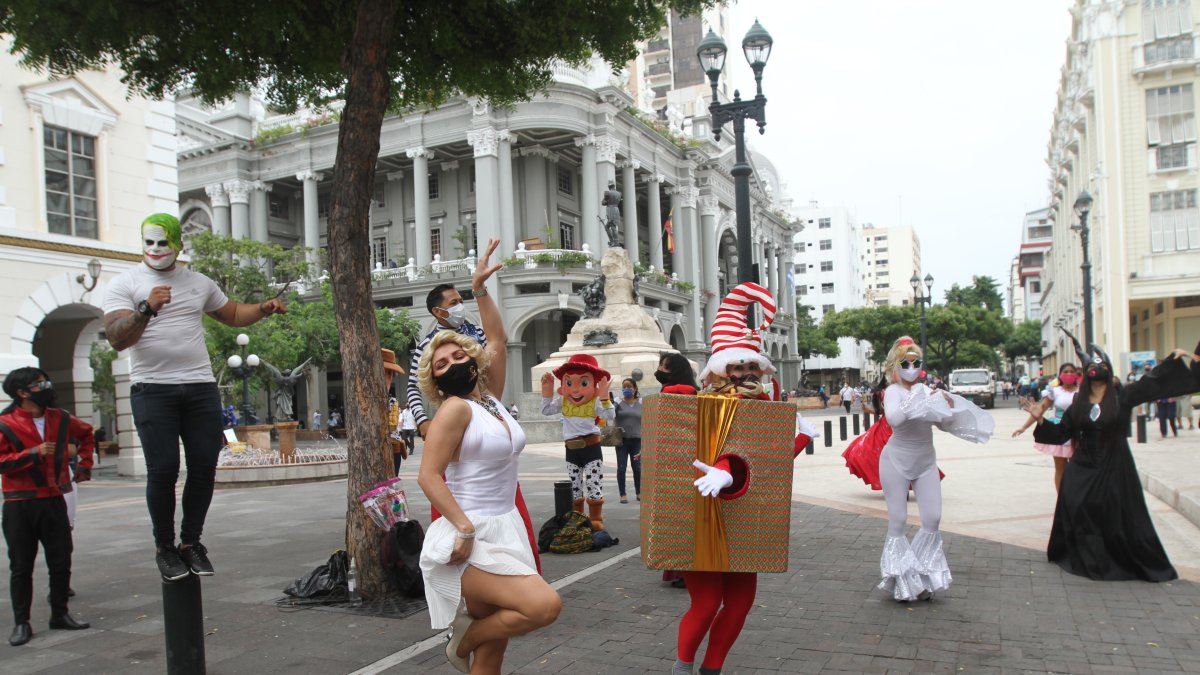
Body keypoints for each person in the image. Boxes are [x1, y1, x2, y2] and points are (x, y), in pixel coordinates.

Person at [102, 213, 287, 581]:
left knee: (203, 465)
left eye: (162, 242)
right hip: (152, 388)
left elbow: (232, 313)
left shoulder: (198, 282)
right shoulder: (125, 283)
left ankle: (191, 543)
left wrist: (263, 309)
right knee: (164, 469)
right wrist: (146, 308)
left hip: (200, 386)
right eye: (149, 242)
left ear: (177, 244)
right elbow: (118, 337)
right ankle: (165, 548)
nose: (155, 250)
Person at [416, 239, 561, 674]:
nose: (452, 362)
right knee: (543, 606)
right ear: (436, 381)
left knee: (495, 650)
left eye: (458, 354)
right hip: (471, 532)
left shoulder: (491, 401)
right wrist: (461, 526)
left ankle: (472, 641)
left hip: (506, 525)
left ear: (472, 361)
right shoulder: (454, 409)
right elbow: (428, 475)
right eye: (441, 363)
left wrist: (479, 289)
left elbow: (496, 337)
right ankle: (461, 643)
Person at [669, 282, 817, 675]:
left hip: (746, 517)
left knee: (739, 603)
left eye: (752, 367)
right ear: (721, 370)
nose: (746, 373)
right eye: (738, 367)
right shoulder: (703, 403)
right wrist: (721, 469)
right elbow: (689, 448)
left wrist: (799, 437)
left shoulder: (765, 408)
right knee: (706, 602)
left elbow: (765, 465)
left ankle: (711, 669)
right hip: (703, 516)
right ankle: (682, 668)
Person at [1045, 334, 1199, 581]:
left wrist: (1172, 359)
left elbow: (1152, 382)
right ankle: (1088, 555)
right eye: (1092, 366)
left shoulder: (1123, 396)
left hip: (1115, 462)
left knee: (1114, 509)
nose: (1097, 369)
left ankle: (1116, 557)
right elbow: (1061, 432)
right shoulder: (1078, 404)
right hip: (1084, 463)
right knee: (1075, 500)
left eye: (1102, 365)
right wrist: (1040, 419)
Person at [876, 337, 993, 602]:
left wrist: (947, 405)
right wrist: (920, 399)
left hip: (926, 461)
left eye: (916, 361)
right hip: (895, 460)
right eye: (906, 362)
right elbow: (894, 418)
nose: (912, 366)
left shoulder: (926, 390)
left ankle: (923, 575)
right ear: (896, 364)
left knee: (932, 519)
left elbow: (943, 423)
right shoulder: (894, 391)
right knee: (898, 521)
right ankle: (901, 581)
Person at [1, 368, 94, 646]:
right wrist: (31, 454)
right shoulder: (5, 423)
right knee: (21, 566)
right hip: (19, 503)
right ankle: (22, 623)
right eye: (39, 384)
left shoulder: (61, 418)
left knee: (61, 560)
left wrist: (85, 466)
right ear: (22, 392)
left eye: (45, 381)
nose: (46, 387)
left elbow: (87, 434)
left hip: (54, 499)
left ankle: (60, 614)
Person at [540, 354, 614, 530]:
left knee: (593, 482)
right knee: (575, 486)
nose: (575, 390)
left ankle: (596, 518)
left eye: (583, 383)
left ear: (594, 384)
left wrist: (604, 397)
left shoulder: (595, 402)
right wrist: (547, 392)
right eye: (569, 383)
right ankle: (578, 518)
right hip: (571, 449)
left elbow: (610, 416)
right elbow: (546, 410)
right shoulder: (563, 401)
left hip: (591, 448)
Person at [406, 283, 486, 440]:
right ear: (437, 311)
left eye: (461, 301)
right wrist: (422, 421)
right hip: (453, 416)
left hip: (485, 406)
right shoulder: (426, 346)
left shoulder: (477, 333)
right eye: (454, 303)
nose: (460, 306)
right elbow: (412, 387)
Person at [654, 351, 701, 589]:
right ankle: (684, 570)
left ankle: (684, 571)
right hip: (687, 459)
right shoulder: (692, 390)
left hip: (675, 463)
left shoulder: (676, 391)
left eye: (663, 367)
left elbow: (667, 426)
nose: (660, 370)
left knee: (679, 519)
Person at [1012, 363, 1080, 493]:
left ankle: (1077, 496)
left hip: (1078, 432)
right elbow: (1040, 410)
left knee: (1077, 467)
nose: (1069, 374)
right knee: (1061, 468)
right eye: (1066, 371)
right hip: (1059, 432)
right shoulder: (1055, 391)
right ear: (1060, 374)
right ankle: (1062, 499)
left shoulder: (1083, 391)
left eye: (1072, 371)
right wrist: (1023, 427)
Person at [613, 378, 643, 504]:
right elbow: (608, 414)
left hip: (637, 440)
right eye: (624, 386)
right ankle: (623, 494)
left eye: (629, 386)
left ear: (635, 388)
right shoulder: (617, 402)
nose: (626, 389)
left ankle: (639, 492)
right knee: (621, 467)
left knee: (637, 468)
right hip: (622, 441)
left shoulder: (641, 402)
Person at [381, 349, 408, 475]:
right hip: (376, 451)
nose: (389, 378)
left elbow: (393, 426)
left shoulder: (392, 401)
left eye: (389, 373)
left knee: (392, 484)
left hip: (394, 448)